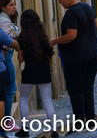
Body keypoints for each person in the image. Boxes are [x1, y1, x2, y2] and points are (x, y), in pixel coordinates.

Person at [49, 0, 97, 129]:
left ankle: (79, 122)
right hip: (93, 54)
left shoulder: (71, 14)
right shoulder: (87, 7)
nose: (59, 2)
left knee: (76, 90)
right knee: (88, 88)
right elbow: (95, 24)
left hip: (77, 58)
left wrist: (54, 41)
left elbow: (71, 36)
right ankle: (90, 120)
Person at [15, 10, 57, 138]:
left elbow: (21, 59)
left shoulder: (22, 37)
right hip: (44, 72)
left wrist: (18, 50)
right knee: (47, 102)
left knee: (23, 100)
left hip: (30, 72)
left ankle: (25, 129)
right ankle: (54, 131)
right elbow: (49, 56)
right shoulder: (43, 36)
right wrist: (50, 71)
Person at [0, 0, 20, 132]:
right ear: (3, 7)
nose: (14, 7)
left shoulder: (5, 19)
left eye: (14, 4)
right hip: (6, 57)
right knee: (11, 88)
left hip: (6, 56)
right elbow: (12, 40)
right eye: (11, 5)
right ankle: (6, 121)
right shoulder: (3, 22)